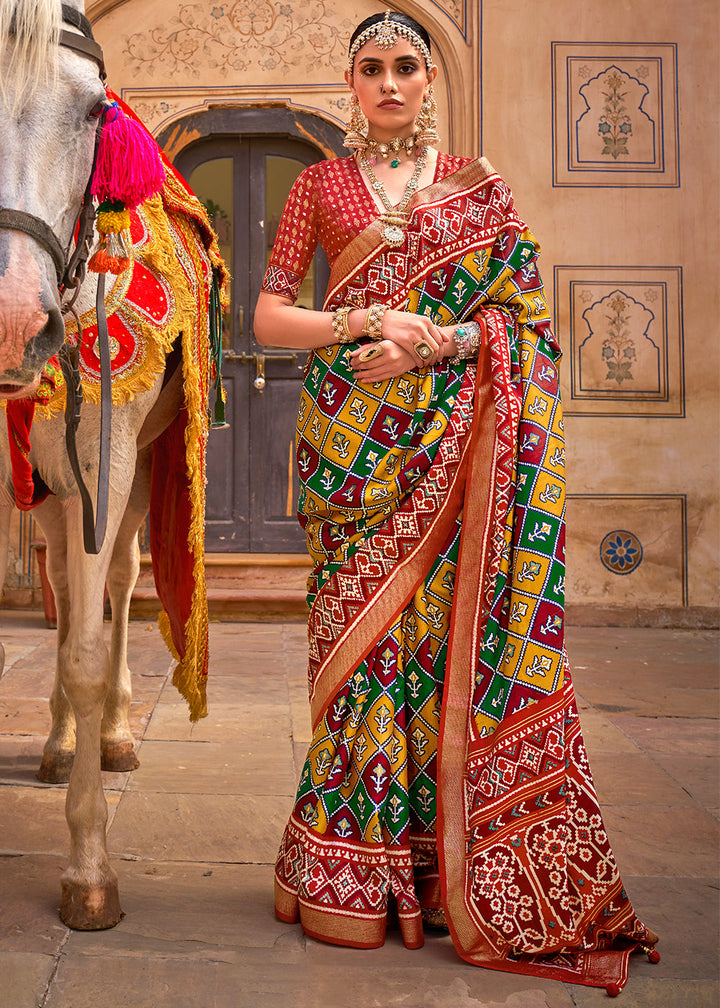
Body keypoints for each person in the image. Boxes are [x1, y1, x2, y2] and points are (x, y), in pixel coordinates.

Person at [253, 9, 659, 994]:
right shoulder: (317, 185)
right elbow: (267, 315)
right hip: (353, 468)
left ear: (429, 80)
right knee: (352, 665)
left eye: (405, 66)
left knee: (437, 658)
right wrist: (360, 318)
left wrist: (433, 342)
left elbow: (527, 325)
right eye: (371, 68)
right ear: (350, 84)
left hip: (452, 453)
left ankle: (434, 872)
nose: (389, 83)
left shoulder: (480, 188)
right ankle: (349, 870)